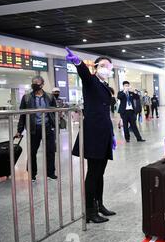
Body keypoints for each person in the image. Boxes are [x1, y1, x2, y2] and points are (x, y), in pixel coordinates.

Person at [65, 48, 117, 223]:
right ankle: (89, 211)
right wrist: (78, 63)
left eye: (108, 67)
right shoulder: (91, 81)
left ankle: (99, 204)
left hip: (104, 133)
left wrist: (112, 134)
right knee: (93, 172)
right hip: (93, 133)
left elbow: (105, 112)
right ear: (95, 67)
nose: (105, 69)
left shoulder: (105, 86)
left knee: (100, 172)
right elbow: (84, 74)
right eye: (102, 65)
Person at [15, 75, 57, 183]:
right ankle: (32, 174)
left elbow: (54, 112)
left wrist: (55, 126)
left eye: (37, 82)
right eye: (33, 82)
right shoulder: (27, 97)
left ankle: (50, 173)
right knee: (32, 151)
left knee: (50, 151)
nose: (34, 84)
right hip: (34, 128)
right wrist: (19, 130)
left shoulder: (49, 97)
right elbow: (22, 115)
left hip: (47, 127)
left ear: (42, 84)